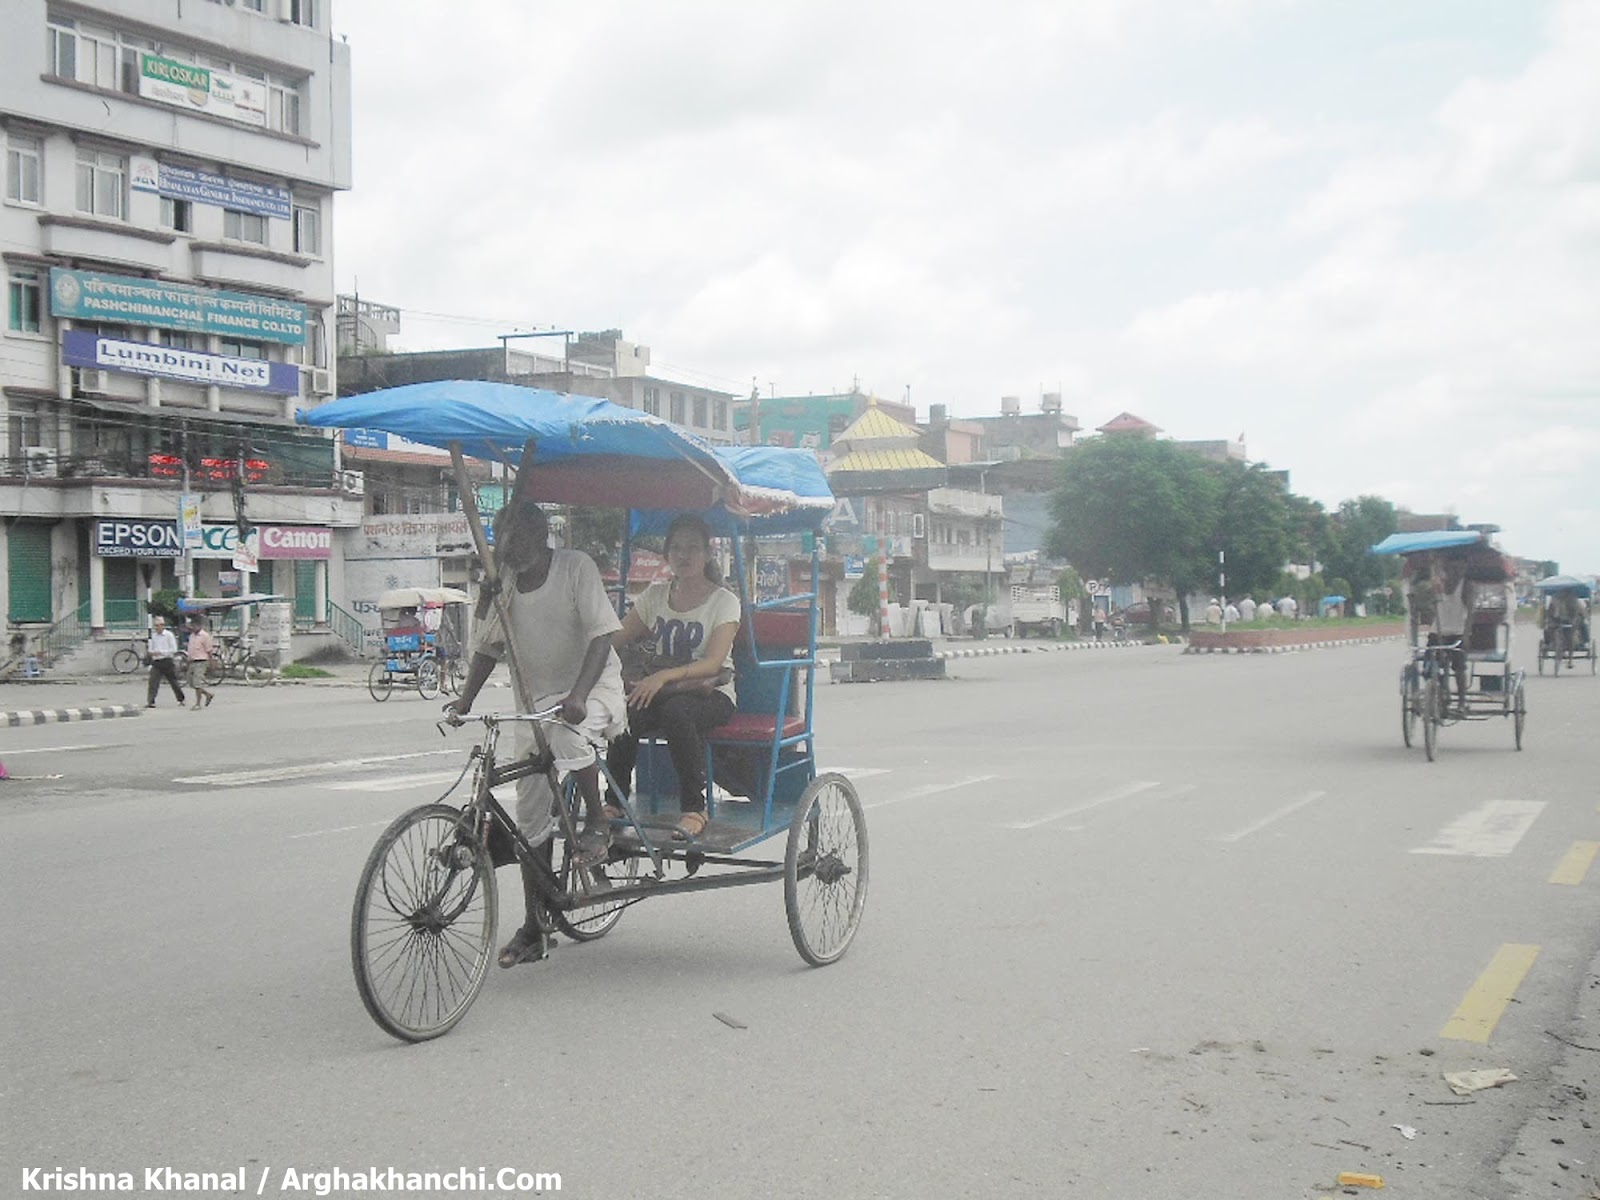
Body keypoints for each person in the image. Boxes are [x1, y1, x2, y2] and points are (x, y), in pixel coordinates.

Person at [444, 500, 627, 968]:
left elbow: (602, 635)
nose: (511, 549)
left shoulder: (575, 567)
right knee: (530, 820)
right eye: (504, 541)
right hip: (535, 704)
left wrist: (580, 695)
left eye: (519, 538)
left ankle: (597, 821)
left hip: (593, 690)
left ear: (542, 533)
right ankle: (534, 926)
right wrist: (464, 702)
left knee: (566, 734)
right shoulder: (501, 582)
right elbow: (487, 648)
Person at [606, 514, 741, 841]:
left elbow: (713, 663)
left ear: (707, 553)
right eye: (677, 548)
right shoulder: (654, 596)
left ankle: (695, 808)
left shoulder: (724, 601)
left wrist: (664, 676)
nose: (684, 555)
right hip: (663, 690)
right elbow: (615, 639)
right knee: (627, 711)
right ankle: (614, 802)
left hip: (711, 694)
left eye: (693, 548)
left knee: (676, 711)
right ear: (666, 554)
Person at [1429, 557, 1472, 709]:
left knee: (1459, 668)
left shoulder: (1466, 585)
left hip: (1458, 631)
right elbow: (1429, 605)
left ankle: (1462, 701)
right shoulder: (1437, 584)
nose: (1453, 571)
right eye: (1449, 568)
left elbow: (1471, 610)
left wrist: (1466, 634)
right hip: (1437, 631)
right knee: (1433, 664)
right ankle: (1441, 691)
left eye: (1457, 568)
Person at [145, 616, 185, 709]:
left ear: (163, 626)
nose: (157, 628)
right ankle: (151, 701)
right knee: (153, 681)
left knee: (173, 681)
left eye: (158, 625)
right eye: (155, 626)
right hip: (156, 661)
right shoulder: (153, 636)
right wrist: (152, 652)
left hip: (167, 661)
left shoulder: (169, 635)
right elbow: (150, 648)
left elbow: (173, 649)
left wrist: (161, 652)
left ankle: (180, 699)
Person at [185, 615, 215, 710]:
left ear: (199, 625)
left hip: (201, 661)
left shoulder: (204, 636)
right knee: (191, 682)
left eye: (195, 626)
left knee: (197, 683)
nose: (193, 628)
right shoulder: (192, 636)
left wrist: (212, 662)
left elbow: (209, 650)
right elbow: (190, 649)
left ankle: (198, 704)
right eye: (192, 626)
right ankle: (207, 694)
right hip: (192, 661)